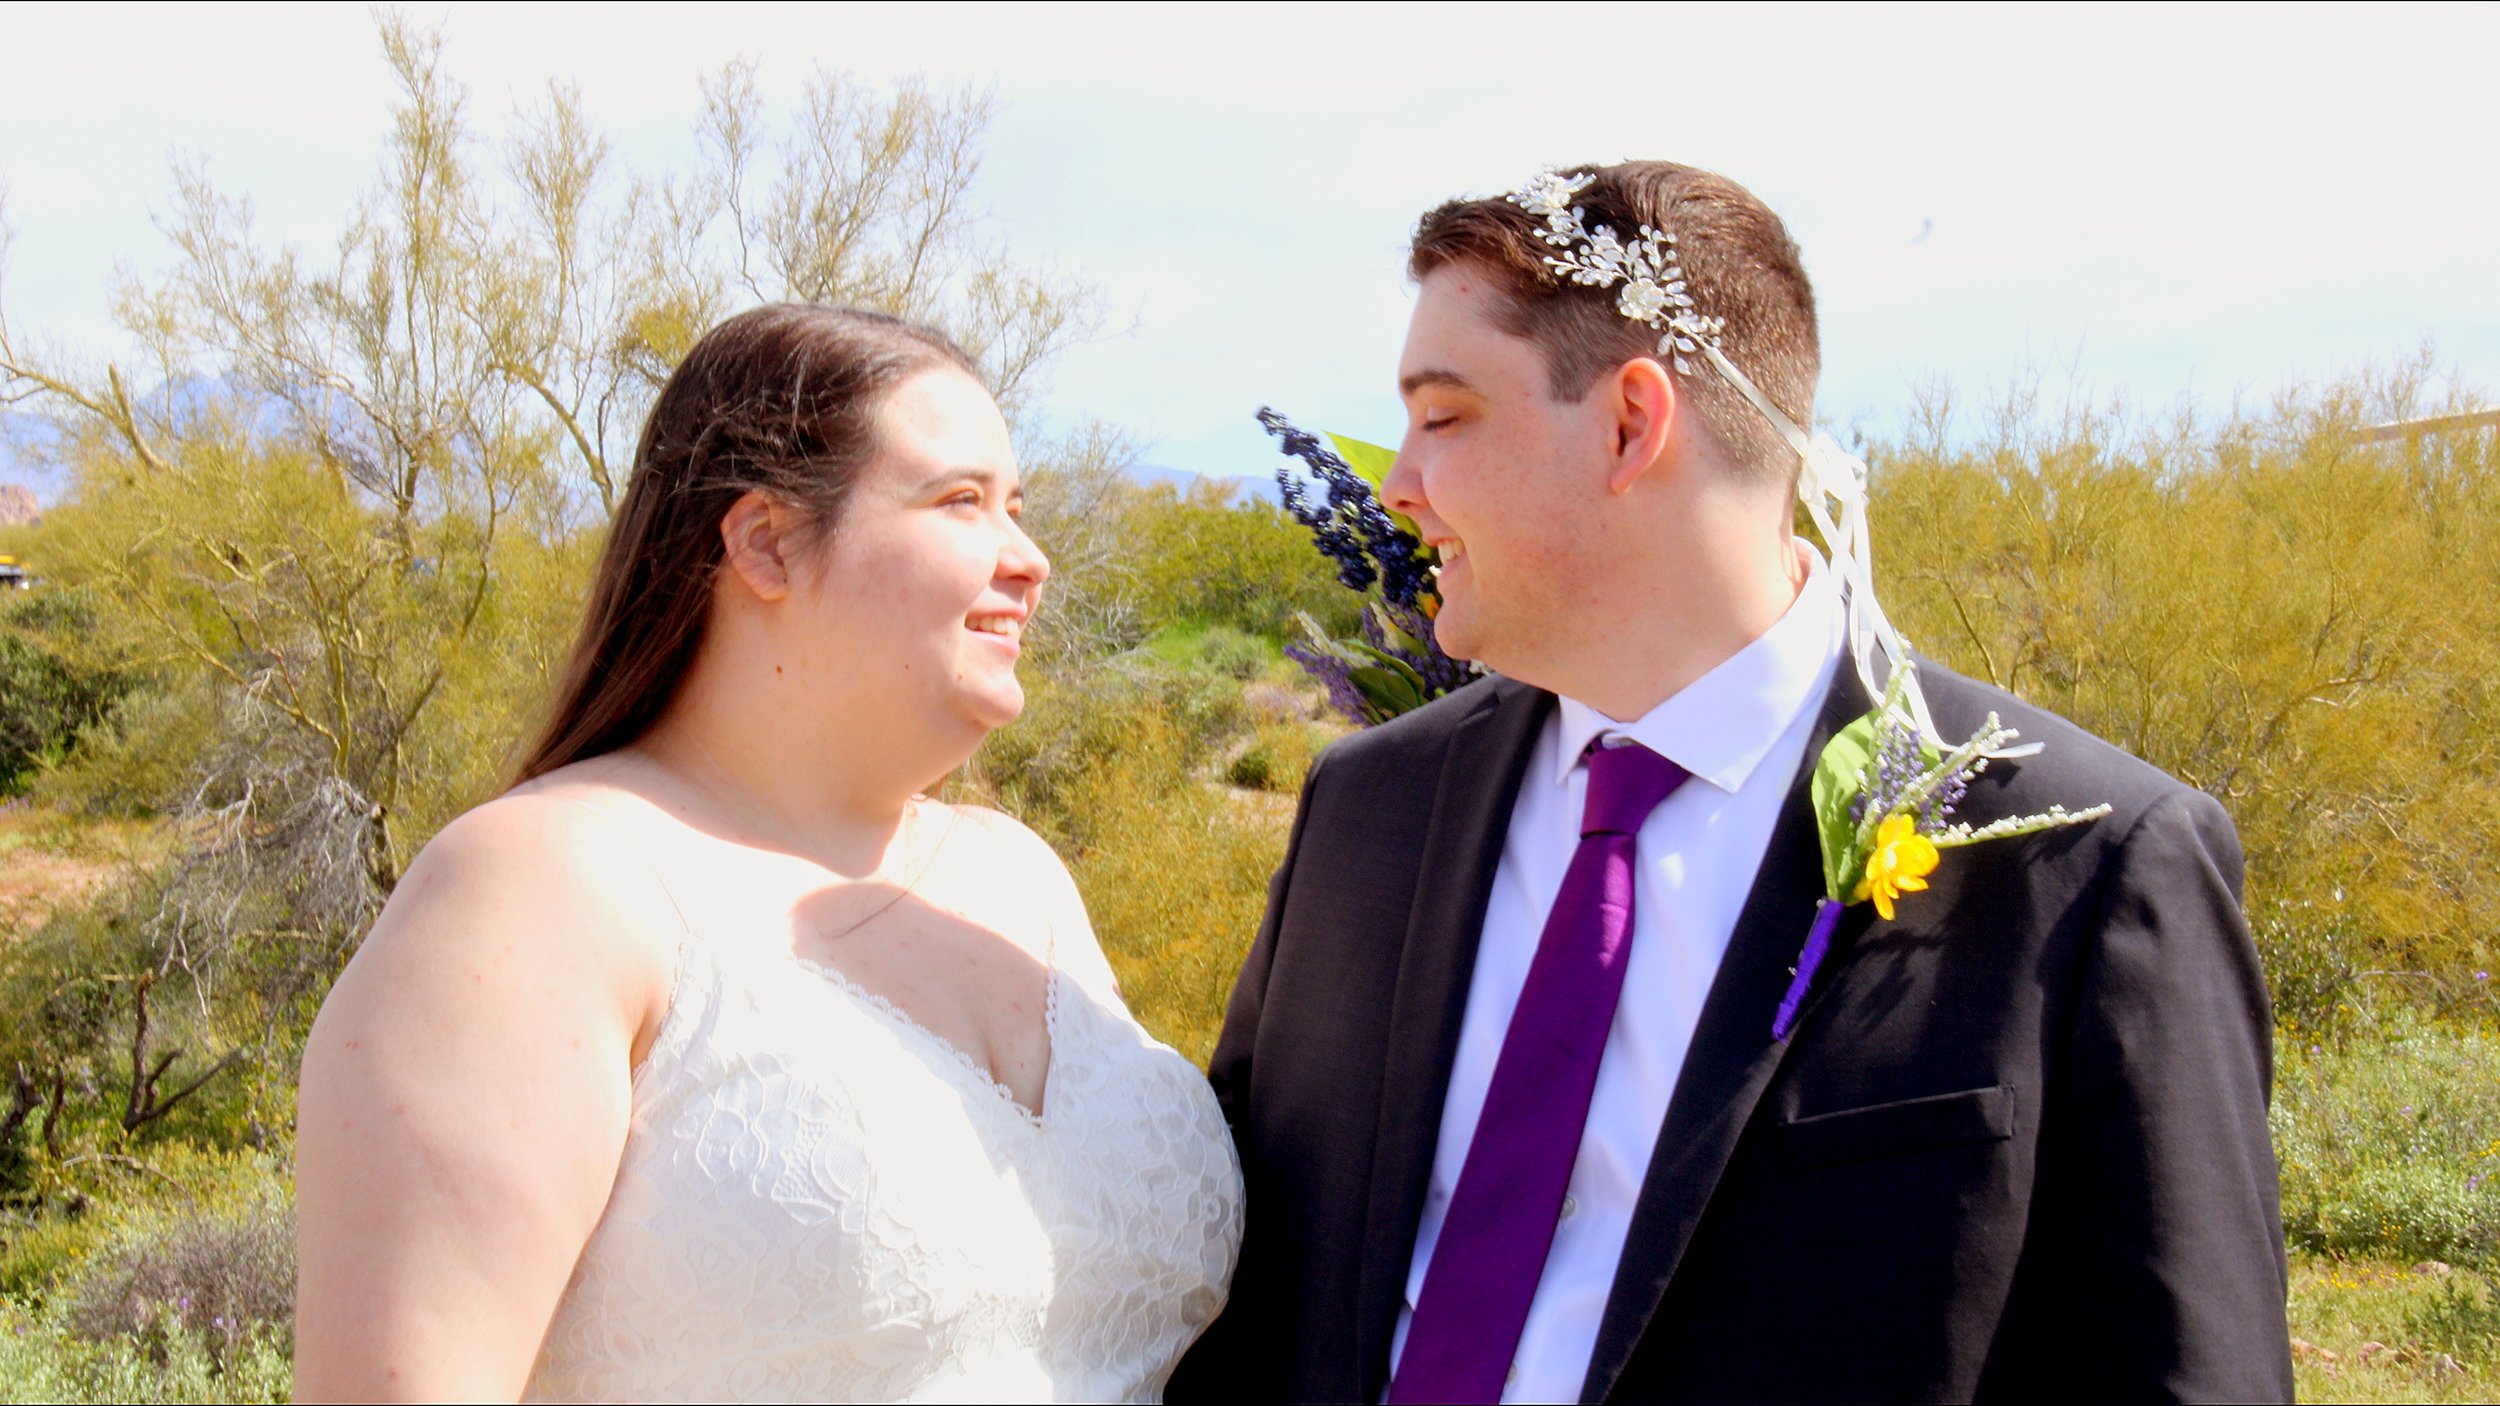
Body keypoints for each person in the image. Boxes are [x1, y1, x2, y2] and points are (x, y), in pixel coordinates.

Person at [1171, 162, 2292, 1403]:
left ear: (1628, 423)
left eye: (1443, 417)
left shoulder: (2087, 859)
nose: (1397, 487)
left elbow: (2186, 1369)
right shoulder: (1367, 810)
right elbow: (1242, 1274)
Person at [294, 304, 1242, 1403]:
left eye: (1015, 507)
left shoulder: (1020, 874)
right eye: (961, 501)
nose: (1028, 559)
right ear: (763, 542)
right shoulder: (543, 891)